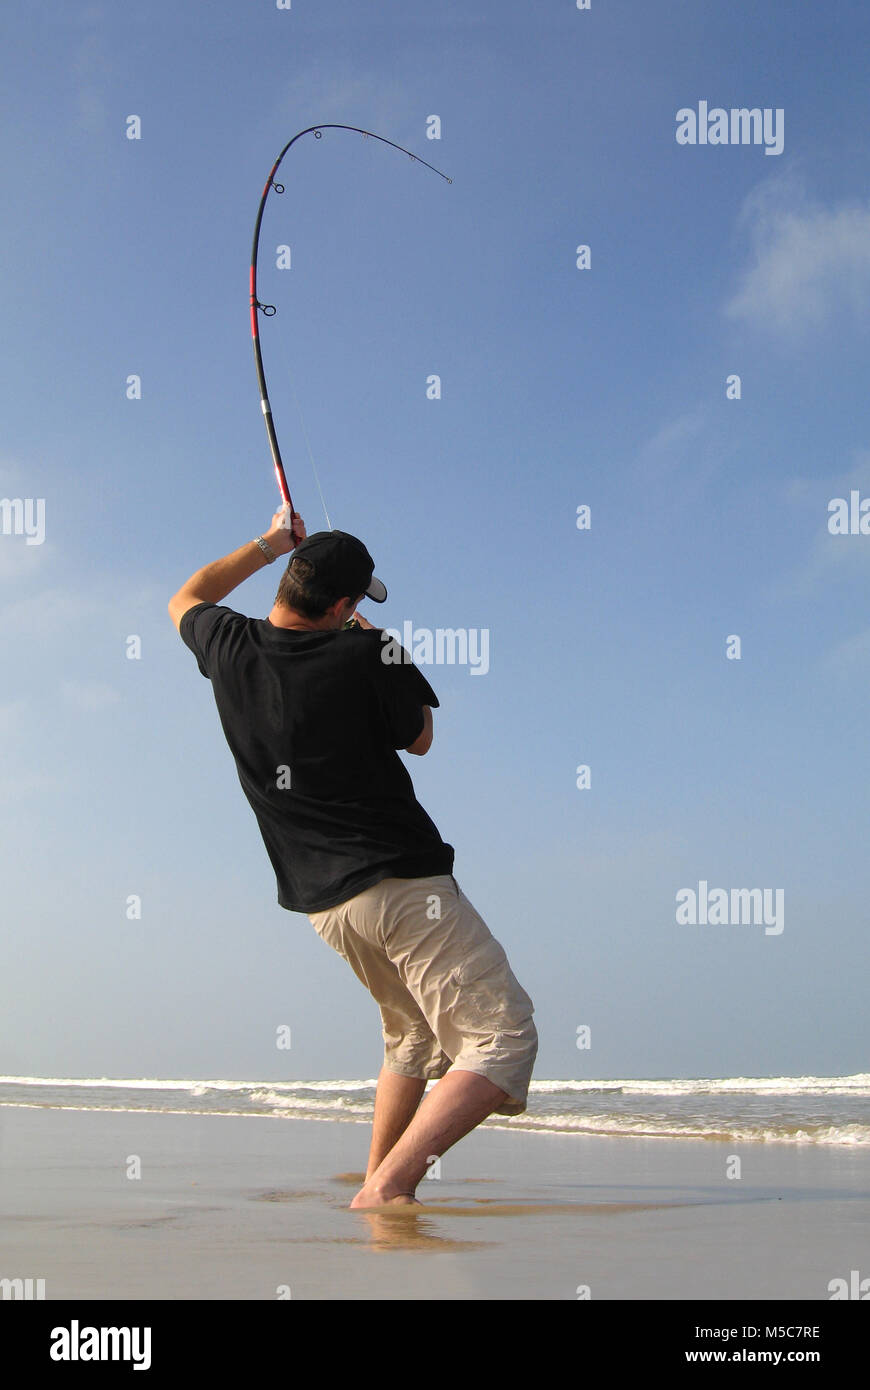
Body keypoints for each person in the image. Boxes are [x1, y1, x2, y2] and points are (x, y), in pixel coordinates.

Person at [168, 505, 537, 1208]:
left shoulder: (228, 646)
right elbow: (422, 736)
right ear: (342, 606)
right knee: (503, 1038)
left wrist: (268, 541)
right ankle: (390, 1190)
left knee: (413, 1041)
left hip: (324, 906)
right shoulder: (366, 654)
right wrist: (384, 646)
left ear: (287, 581)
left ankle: (377, 1179)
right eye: (354, 606)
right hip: (401, 885)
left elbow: (188, 596)